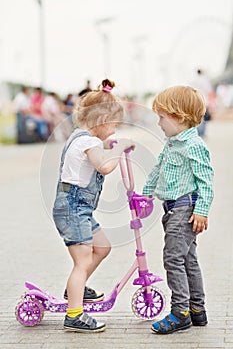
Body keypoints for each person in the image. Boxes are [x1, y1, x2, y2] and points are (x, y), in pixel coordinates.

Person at [53, 78, 135, 333]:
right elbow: (104, 167)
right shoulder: (88, 142)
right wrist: (119, 149)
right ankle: (74, 314)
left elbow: (97, 152)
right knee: (82, 260)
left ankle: (75, 288)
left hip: (79, 208)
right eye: (114, 123)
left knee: (102, 247)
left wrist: (109, 144)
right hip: (73, 208)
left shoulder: (83, 138)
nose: (115, 128)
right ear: (101, 121)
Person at [142, 86, 214, 334]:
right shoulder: (172, 144)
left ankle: (179, 312)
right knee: (188, 259)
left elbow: (206, 181)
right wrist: (145, 194)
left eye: (162, 117)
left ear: (179, 117)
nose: (159, 123)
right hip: (171, 209)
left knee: (173, 259)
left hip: (185, 209)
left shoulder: (194, 145)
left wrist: (202, 210)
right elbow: (157, 169)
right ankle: (197, 310)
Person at [189, 69, 213, 137]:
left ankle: (197, 132)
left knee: (196, 117)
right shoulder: (204, 80)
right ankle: (202, 132)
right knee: (203, 117)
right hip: (203, 100)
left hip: (194, 100)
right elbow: (208, 90)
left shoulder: (193, 80)